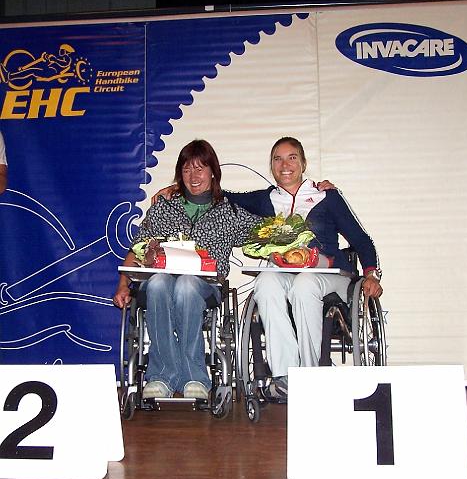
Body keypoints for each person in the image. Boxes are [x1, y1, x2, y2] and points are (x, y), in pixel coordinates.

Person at [225, 136, 383, 399]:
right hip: (286, 274)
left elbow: (361, 240)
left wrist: (371, 274)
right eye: (277, 159)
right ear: (271, 165)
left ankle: (312, 374)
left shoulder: (326, 196)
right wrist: (177, 190)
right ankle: (286, 376)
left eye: (292, 158)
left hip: (329, 275)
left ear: (303, 163)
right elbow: (222, 197)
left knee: (305, 283)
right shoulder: (266, 199)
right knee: (265, 281)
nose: (284, 165)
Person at [113, 140, 260, 400]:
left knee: (187, 284)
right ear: (180, 174)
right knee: (158, 283)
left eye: (200, 168)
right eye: (187, 169)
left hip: (205, 286)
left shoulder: (229, 212)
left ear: (213, 172)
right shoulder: (163, 208)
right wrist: (123, 284)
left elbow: (264, 231)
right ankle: (161, 375)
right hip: (161, 280)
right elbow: (138, 247)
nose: (194, 176)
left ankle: (194, 376)